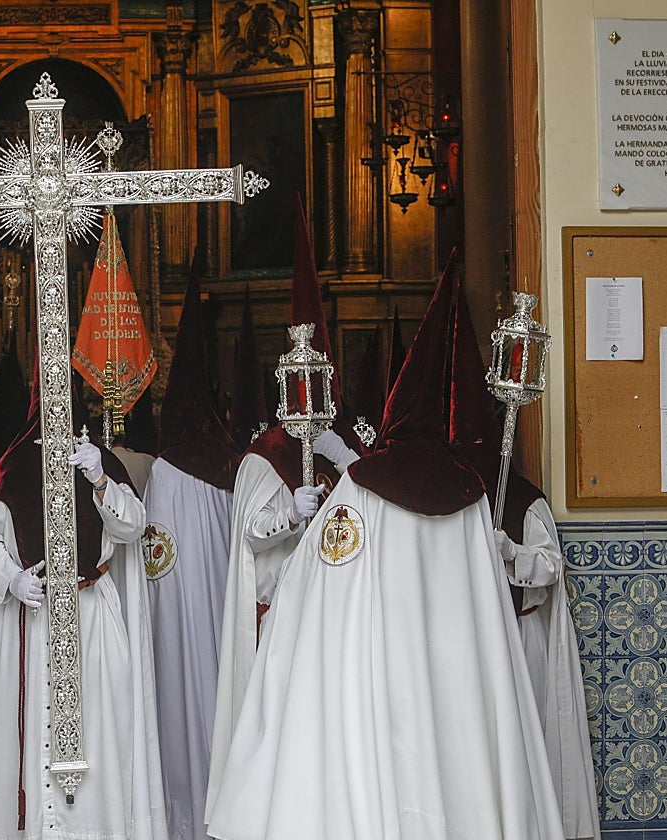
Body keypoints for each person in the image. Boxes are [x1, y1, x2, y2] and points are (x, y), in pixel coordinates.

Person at [206, 252, 564, 840]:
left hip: (380, 662)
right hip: (456, 672)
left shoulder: (361, 485)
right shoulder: (470, 492)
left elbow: (322, 575)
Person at [208, 198, 363, 810]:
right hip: (275, 617)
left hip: (333, 617)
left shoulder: (336, 449)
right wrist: (290, 514)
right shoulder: (264, 457)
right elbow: (250, 532)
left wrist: (345, 459)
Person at [0, 372, 166, 840]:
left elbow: (133, 527)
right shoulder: (12, 467)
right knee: (33, 732)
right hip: (32, 615)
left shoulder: (99, 460)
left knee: (100, 731)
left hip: (91, 613)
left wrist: (100, 479)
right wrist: (12, 578)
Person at [447, 274, 599, 840]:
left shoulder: (524, 502)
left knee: (525, 745)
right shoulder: (450, 503)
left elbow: (551, 568)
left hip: (521, 633)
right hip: (469, 641)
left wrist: (510, 553)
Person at [143, 274, 242, 840]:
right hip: (225, 609)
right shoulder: (233, 463)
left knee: (181, 710)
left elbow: (157, 555)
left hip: (177, 618)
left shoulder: (164, 471)